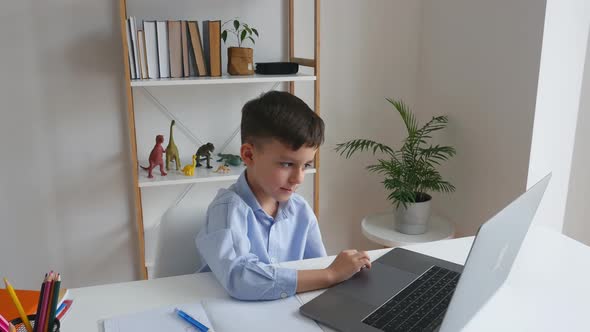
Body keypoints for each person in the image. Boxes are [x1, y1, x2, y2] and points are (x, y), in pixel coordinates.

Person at [195, 91, 371, 300]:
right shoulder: (226, 209)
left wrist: (338, 274)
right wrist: (331, 274)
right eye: (287, 164)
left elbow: (315, 268)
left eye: (306, 166)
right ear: (249, 155)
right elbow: (239, 278)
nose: (298, 178)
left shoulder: (301, 210)